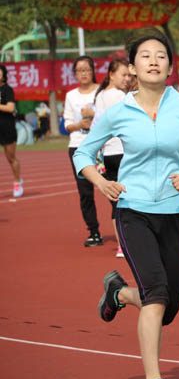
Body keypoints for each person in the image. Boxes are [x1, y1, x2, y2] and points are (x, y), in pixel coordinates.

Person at [73, 31, 179, 379]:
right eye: (145, 56)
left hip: (176, 213)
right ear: (133, 67)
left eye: (161, 56)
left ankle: (119, 292)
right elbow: (83, 153)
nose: (154, 61)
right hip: (133, 211)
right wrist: (101, 182)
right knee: (156, 294)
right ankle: (154, 377)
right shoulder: (117, 112)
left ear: (170, 66)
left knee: (169, 307)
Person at [91, 58, 130, 258]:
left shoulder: (100, 96)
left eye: (129, 75)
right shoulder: (119, 96)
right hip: (124, 151)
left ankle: (121, 246)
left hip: (108, 153)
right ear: (111, 74)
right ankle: (130, 241)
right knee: (130, 198)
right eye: (123, 75)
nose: (127, 79)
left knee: (116, 200)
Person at [64, 56, 102, 246]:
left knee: (113, 186)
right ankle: (94, 231)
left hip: (102, 148)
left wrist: (93, 115)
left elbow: (110, 115)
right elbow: (67, 124)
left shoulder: (101, 92)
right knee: (85, 192)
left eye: (87, 69)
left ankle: (122, 226)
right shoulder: (71, 95)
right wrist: (80, 124)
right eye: (80, 71)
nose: (84, 73)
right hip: (78, 147)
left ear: (93, 71)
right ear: (74, 74)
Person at [0, 65, 22, 197]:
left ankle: (17, 181)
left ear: (4, 75)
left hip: (6, 127)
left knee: (11, 157)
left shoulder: (7, 90)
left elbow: (10, 108)